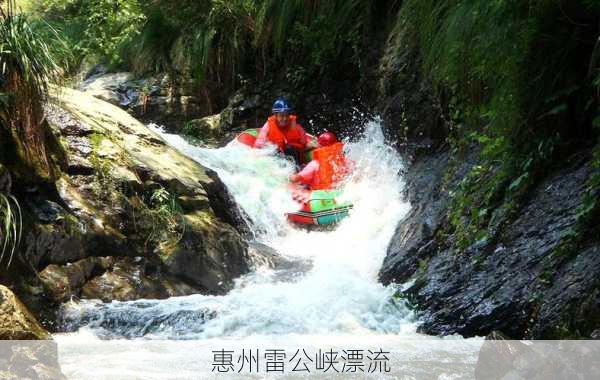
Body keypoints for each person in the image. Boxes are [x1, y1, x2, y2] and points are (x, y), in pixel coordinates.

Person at [254, 98, 315, 163]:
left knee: (290, 148)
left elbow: (303, 144)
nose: (285, 119)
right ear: (276, 115)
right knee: (275, 151)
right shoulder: (268, 126)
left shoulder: (295, 126)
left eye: (287, 115)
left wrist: (312, 145)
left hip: (294, 159)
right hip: (275, 158)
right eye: (282, 116)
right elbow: (258, 144)